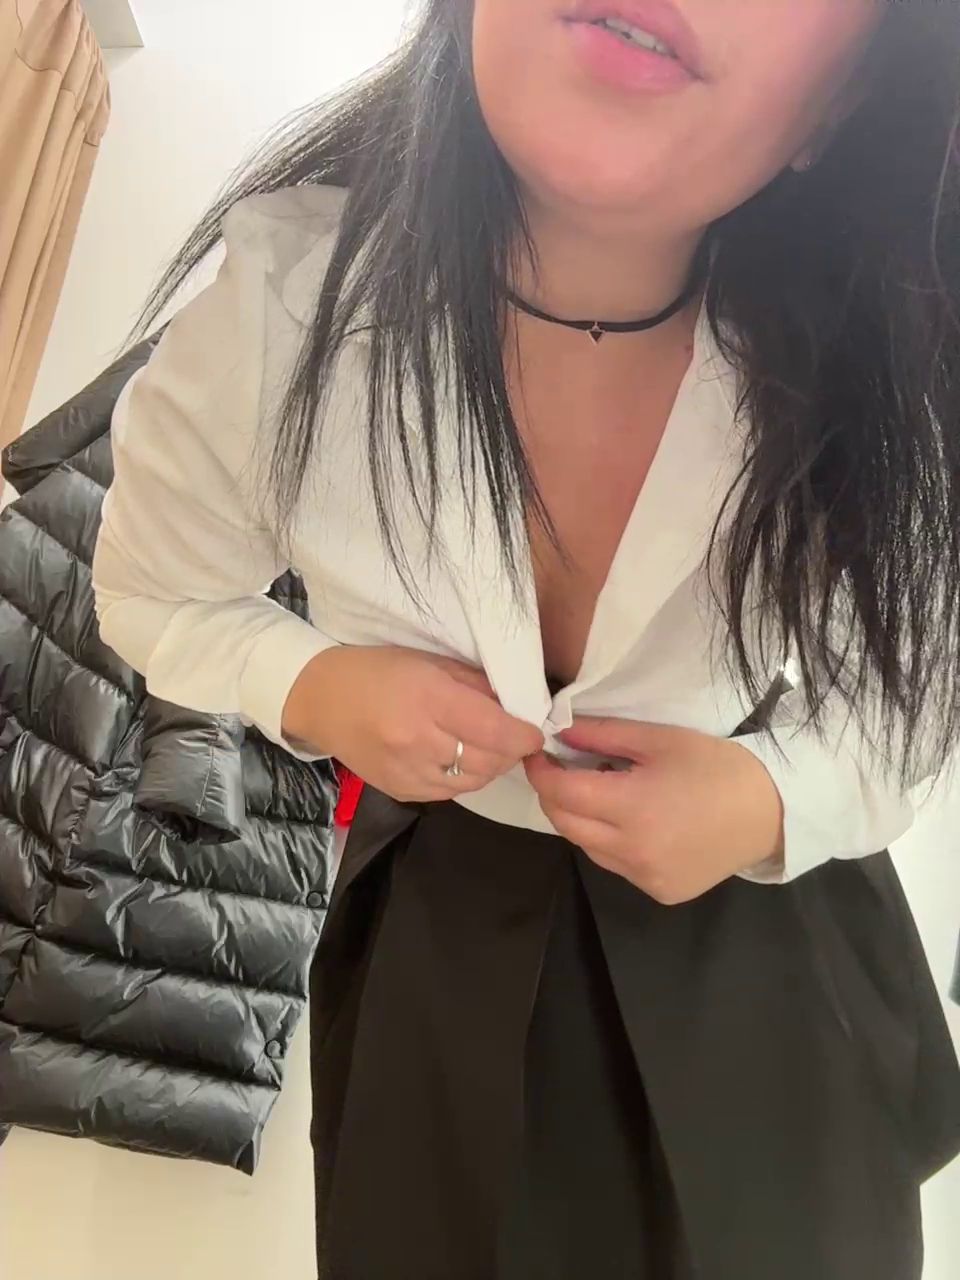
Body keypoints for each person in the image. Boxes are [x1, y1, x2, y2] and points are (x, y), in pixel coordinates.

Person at [92, 2, 960, 1276]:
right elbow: (154, 588)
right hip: (440, 936)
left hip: (758, 943)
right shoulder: (286, 302)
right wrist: (318, 684)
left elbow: (906, 705)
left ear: (838, 105)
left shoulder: (878, 368)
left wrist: (767, 797)